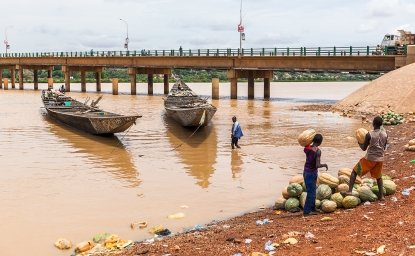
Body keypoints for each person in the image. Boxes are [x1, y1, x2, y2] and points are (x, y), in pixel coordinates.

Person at [346, 116, 388, 200]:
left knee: (354, 172)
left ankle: (349, 191)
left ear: (373, 124)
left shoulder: (369, 134)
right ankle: (381, 196)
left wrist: (359, 142)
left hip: (369, 159)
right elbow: (384, 147)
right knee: (379, 177)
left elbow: (363, 148)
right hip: (380, 159)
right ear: (381, 124)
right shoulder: (385, 134)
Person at [303, 133, 328, 216]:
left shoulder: (307, 148)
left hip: (306, 172)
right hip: (312, 173)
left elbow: (306, 147)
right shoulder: (318, 151)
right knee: (311, 193)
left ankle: (313, 209)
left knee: (312, 191)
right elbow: (317, 165)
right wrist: (324, 165)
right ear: (320, 142)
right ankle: (306, 211)